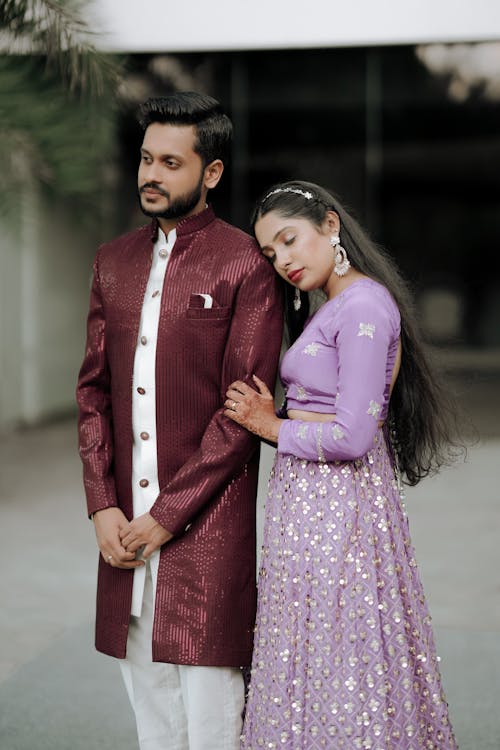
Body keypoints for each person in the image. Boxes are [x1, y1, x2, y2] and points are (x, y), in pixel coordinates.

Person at [76, 91, 283, 750]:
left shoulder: (245, 263)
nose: (151, 175)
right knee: (149, 702)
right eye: (145, 160)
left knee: (212, 702)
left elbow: (241, 411)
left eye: (170, 162)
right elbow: (91, 394)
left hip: (207, 523)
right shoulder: (113, 260)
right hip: (124, 529)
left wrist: (168, 515)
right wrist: (103, 505)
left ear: (211, 173)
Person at [224, 180, 464, 749]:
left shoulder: (363, 305)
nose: (281, 260)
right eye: (270, 252)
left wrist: (271, 426)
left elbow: (354, 434)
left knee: (342, 654)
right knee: (313, 650)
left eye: (289, 240)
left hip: (340, 508)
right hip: (310, 505)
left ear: (331, 226)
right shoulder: (337, 306)